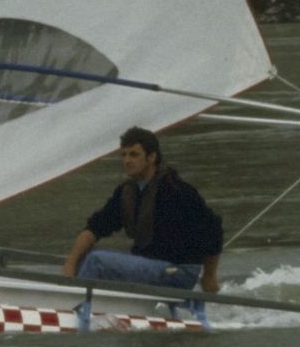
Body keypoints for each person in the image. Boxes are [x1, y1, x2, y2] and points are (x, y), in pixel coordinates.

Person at [60, 126, 222, 295]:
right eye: (124, 154)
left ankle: (75, 307)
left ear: (151, 157)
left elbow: (213, 229)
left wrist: (209, 276)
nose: (127, 160)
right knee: (84, 257)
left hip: (177, 271)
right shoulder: (126, 192)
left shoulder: (176, 190)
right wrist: (71, 262)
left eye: (134, 154)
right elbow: (95, 227)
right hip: (149, 265)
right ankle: (102, 307)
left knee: (97, 261)